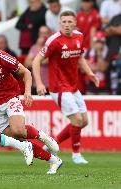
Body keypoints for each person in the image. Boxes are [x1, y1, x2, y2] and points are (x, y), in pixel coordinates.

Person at [0, 31, 62, 174]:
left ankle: (43, 136)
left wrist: (27, 92)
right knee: (18, 140)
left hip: (10, 97)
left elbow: (26, 73)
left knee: (18, 130)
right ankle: (54, 160)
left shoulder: (4, 57)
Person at [32, 11, 100, 164]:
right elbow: (36, 60)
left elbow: (80, 57)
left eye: (70, 22)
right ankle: (76, 155)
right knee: (77, 120)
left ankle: (51, 144)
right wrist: (40, 83)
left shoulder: (79, 37)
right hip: (59, 87)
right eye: (64, 22)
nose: (67, 25)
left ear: (75, 23)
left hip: (73, 86)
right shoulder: (53, 41)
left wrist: (90, 73)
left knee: (84, 121)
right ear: (60, 23)